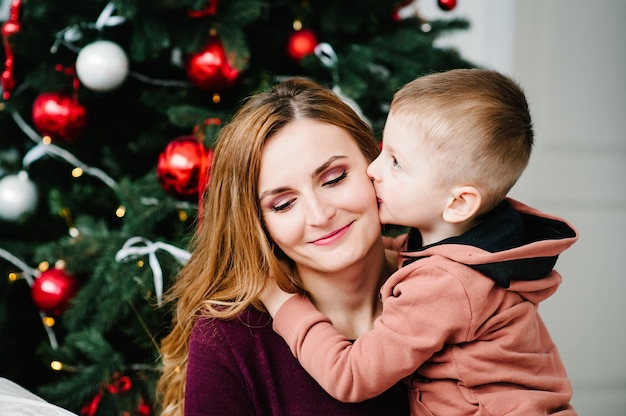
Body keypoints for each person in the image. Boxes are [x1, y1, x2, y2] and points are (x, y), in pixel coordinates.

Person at [261, 69, 579, 415]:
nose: (373, 170)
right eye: (383, 151)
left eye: (396, 163)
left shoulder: (444, 286)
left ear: (458, 204)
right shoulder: (480, 251)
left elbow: (349, 376)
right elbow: (419, 258)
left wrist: (282, 302)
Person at [156, 77, 410, 416]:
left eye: (334, 178)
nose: (320, 215)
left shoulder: (457, 285)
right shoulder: (231, 339)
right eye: (283, 204)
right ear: (260, 224)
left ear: (374, 166)